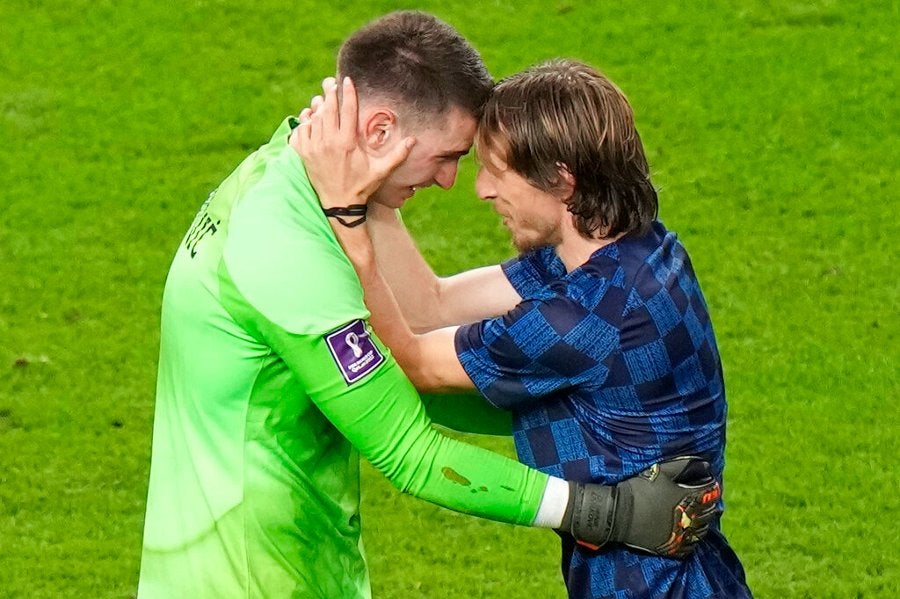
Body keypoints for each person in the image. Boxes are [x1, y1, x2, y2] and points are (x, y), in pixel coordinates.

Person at [138, 12, 721, 599]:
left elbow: (421, 350)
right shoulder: (639, 253)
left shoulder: (275, 175)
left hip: (304, 556)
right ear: (380, 131)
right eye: (451, 156)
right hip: (244, 574)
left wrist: (355, 211)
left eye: (486, 167)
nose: (459, 183)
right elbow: (420, 372)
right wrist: (608, 512)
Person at [295, 59, 752, 598]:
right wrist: (374, 182)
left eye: (497, 170)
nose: (482, 189)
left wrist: (346, 213)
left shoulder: (581, 317)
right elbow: (432, 307)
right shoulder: (634, 252)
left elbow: (413, 361)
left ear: (561, 178)